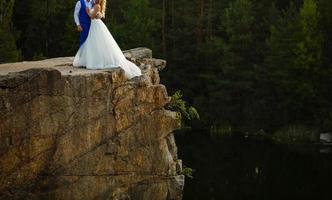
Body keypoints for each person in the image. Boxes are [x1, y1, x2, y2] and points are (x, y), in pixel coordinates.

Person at [73, 0, 142, 79]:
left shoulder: (95, 5)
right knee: (89, 42)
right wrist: (78, 24)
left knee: (94, 43)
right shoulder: (84, 3)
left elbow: (92, 16)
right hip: (91, 25)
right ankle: (86, 59)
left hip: (95, 26)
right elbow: (76, 14)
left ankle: (90, 60)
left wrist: (89, 12)